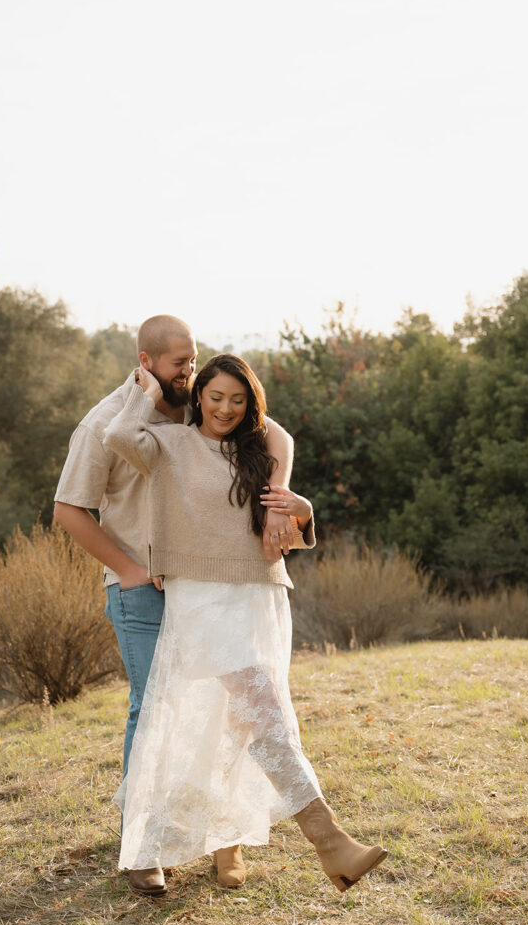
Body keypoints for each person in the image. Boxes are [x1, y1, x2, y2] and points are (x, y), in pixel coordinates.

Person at [103, 353, 387, 895]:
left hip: (259, 596)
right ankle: (332, 844)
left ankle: (225, 838)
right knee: (265, 715)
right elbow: (119, 435)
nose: (225, 409)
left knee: (237, 722)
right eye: (215, 398)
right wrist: (144, 389)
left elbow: (283, 521)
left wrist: (301, 508)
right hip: (202, 600)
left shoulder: (258, 452)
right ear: (197, 398)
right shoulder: (170, 445)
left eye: (238, 400)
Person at [53, 317, 297, 895]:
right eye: (179, 364)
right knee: (153, 709)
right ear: (145, 361)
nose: (190, 371)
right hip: (142, 590)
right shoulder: (104, 423)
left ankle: (224, 836)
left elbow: (275, 435)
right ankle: (144, 847)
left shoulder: (199, 406)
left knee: (233, 703)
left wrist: (279, 503)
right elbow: (68, 509)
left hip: (206, 586)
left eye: (193, 359)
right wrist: (131, 572)